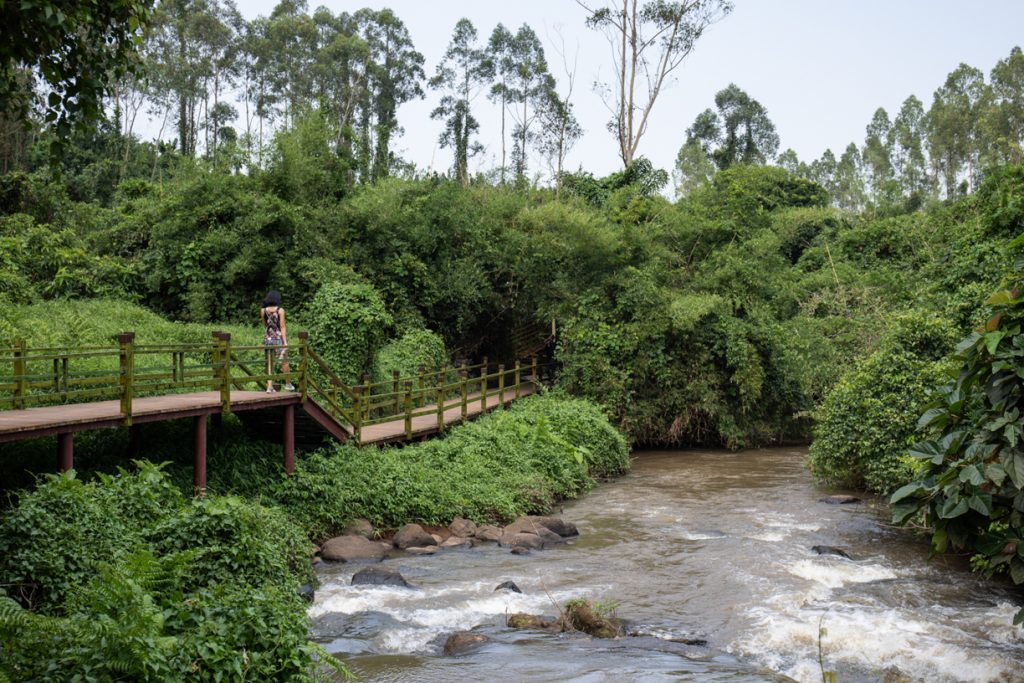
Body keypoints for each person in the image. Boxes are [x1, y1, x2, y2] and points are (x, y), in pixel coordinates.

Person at [261, 290, 295, 392]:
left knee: (269, 362)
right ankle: (288, 384)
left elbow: (265, 325)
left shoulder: (263, 311)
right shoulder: (280, 310)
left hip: (268, 339)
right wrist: (285, 342)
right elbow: (282, 326)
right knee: (284, 362)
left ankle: (269, 387)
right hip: (278, 339)